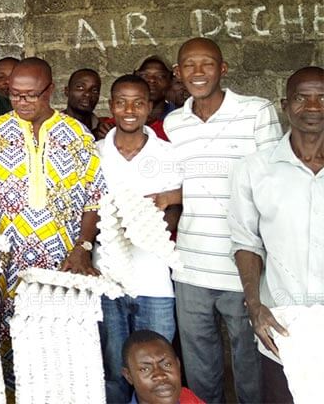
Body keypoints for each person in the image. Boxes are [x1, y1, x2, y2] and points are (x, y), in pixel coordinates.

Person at [0, 57, 106, 397]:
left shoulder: (77, 135)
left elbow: (94, 198)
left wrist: (83, 248)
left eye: (30, 95)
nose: (21, 103)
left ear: (49, 91)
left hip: (61, 261)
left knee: (54, 347)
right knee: (3, 342)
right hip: (6, 263)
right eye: (15, 95)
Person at [164, 37, 282, 404]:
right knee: (200, 370)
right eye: (189, 65)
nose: (198, 72)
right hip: (191, 264)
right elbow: (186, 182)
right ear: (178, 72)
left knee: (251, 367)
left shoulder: (256, 112)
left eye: (207, 64)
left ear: (223, 68)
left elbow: (272, 183)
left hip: (243, 265)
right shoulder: (174, 123)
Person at [229, 66, 324, 403]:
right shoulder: (254, 169)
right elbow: (246, 244)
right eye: (302, 98)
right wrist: (254, 306)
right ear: (285, 105)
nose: (313, 106)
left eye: (322, 97)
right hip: (282, 326)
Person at [94, 75, 182, 404]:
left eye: (138, 102)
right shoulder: (95, 153)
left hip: (155, 279)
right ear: (111, 106)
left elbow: (174, 209)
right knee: (116, 368)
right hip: (108, 277)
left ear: (149, 107)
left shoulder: (166, 153)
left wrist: (152, 223)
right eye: (121, 102)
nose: (129, 110)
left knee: (158, 369)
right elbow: (89, 209)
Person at [121, 330, 206, 404]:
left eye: (167, 365)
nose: (160, 376)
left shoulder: (188, 397)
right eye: (145, 369)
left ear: (178, 365)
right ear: (129, 376)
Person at [62, 68, 102, 136]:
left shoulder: (103, 128)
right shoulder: (51, 127)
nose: (87, 94)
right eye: (80, 87)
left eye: (94, 90)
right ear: (67, 91)